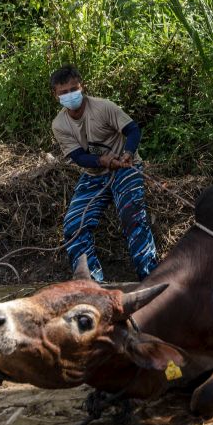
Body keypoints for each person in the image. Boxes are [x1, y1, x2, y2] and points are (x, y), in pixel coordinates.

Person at [50, 65, 159, 282]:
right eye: (63, 92)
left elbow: (132, 130)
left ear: (83, 87)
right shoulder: (59, 124)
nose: (69, 95)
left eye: (73, 89)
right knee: (74, 225)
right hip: (94, 175)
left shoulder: (103, 107)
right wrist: (102, 161)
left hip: (126, 168)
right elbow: (79, 157)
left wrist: (127, 154)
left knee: (133, 216)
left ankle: (150, 278)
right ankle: (91, 283)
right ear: (56, 96)